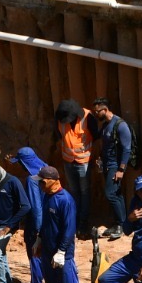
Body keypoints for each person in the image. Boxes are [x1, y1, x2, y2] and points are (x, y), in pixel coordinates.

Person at [34, 166, 84, 283]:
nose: (40, 185)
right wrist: (39, 239)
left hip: (63, 253)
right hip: (48, 250)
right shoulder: (47, 196)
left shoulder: (65, 200)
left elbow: (69, 230)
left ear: (52, 181)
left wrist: (62, 251)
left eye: (42, 182)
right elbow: (46, 223)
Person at [90, 98, 133, 239]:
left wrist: (121, 170)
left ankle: (121, 226)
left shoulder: (120, 125)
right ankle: (118, 223)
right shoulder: (106, 125)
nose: (96, 114)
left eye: (97, 111)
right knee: (116, 194)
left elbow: (127, 149)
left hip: (115, 166)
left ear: (105, 109)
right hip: (107, 165)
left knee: (110, 194)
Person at [10, 146, 48, 283]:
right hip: (50, 220)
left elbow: (35, 207)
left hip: (37, 224)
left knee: (35, 254)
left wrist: (37, 229)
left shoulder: (32, 180)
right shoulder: (46, 169)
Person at [53, 99, 96, 234]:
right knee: (73, 191)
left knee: (84, 192)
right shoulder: (60, 119)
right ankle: (75, 219)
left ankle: (83, 222)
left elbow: (96, 136)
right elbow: (59, 136)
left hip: (84, 161)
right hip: (68, 161)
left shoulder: (88, 118)